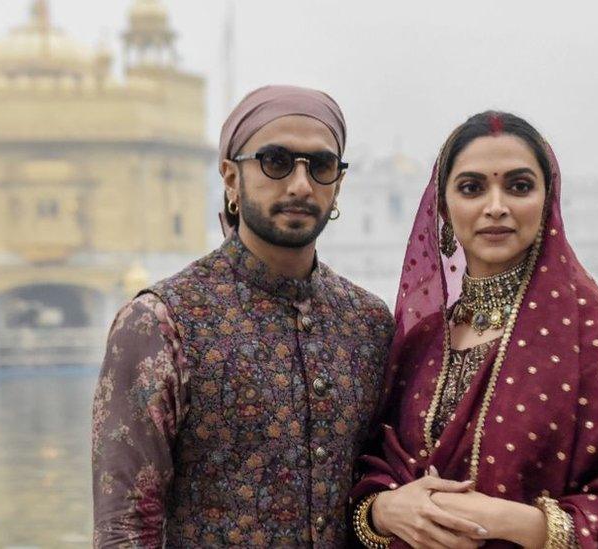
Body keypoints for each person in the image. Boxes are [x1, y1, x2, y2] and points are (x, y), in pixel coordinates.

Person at [349, 111, 598, 548]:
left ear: (547, 203)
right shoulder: (422, 342)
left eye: (519, 186)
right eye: (472, 187)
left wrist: (521, 523)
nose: (496, 206)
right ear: (444, 207)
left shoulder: (596, 336)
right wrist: (382, 510)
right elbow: (367, 470)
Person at [92, 85, 401, 547]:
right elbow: (125, 528)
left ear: (337, 183)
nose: (300, 185)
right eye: (276, 161)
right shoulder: (161, 323)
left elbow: (375, 486)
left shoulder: (368, 322)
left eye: (320, 166)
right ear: (231, 178)